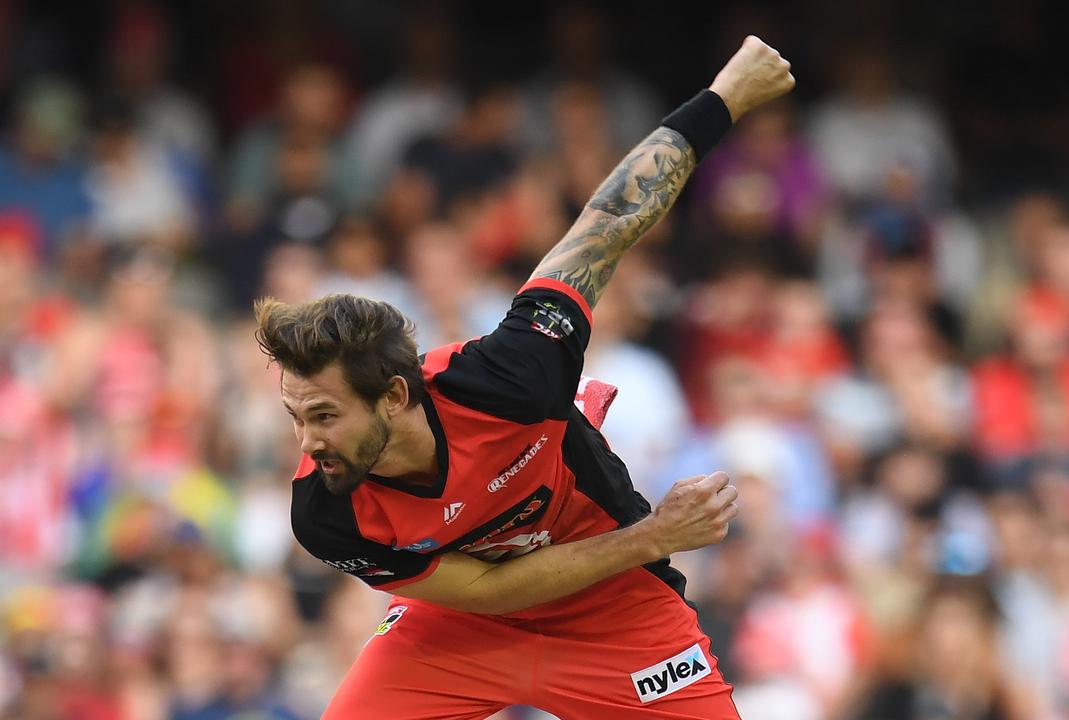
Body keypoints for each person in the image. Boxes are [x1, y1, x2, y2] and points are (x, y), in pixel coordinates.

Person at [254, 36, 795, 720]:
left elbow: (607, 224)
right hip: (461, 628)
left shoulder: (511, 374)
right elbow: (486, 593)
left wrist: (725, 98)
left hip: (617, 612)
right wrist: (657, 535)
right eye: (296, 417)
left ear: (394, 396)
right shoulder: (324, 511)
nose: (308, 444)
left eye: (325, 416)